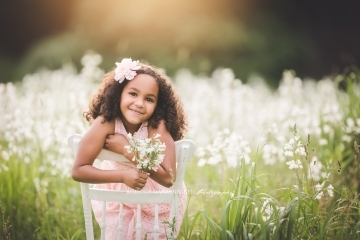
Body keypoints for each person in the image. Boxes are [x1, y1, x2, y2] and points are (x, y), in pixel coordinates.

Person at [71, 58, 188, 240]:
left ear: (157, 105)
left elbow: (168, 177)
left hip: (157, 201)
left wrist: (128, 150)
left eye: (149, 99)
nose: (140, 103)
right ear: (118, 94)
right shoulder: (106, 122)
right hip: (118, 196)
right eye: (133, 94)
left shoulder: (156, 125)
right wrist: (122, 176)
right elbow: (78, 170)